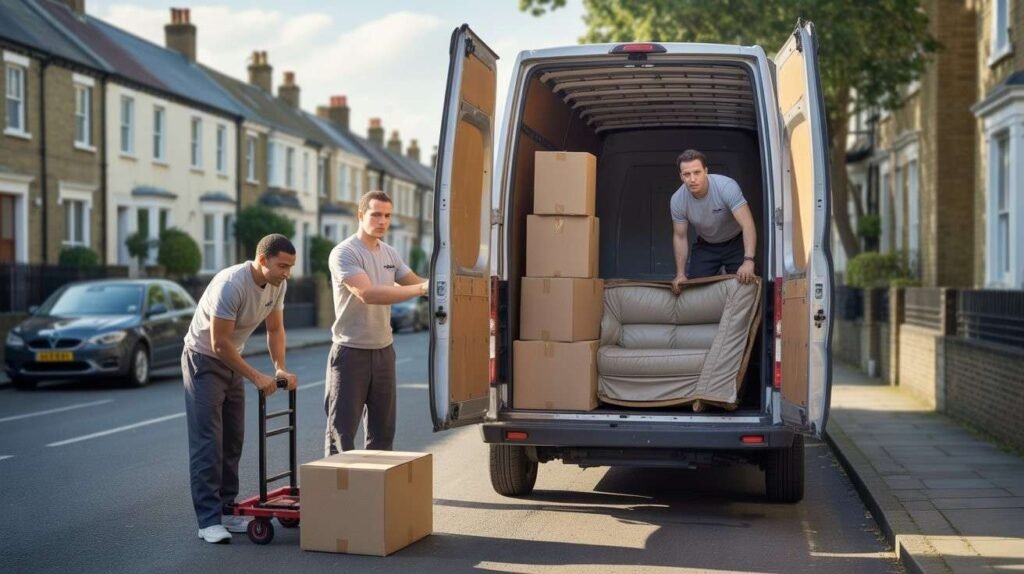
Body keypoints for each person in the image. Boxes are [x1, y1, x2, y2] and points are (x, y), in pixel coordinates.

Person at [181, 234, 298, 544]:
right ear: (262, 260)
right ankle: (208, 521)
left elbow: (275, 328)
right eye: (282, 266)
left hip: (232, 358)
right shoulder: (231, 285)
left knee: (233, 439)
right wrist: (255, 376)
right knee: (208, 442)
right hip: (204, 359)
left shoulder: (277, 284)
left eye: (290, 266)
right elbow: (219, 343)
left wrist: (279, 367)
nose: (287, 272)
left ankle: (227, 509)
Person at [324, 190, 428, 455]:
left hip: (384, 351)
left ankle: (376, 482)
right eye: (376, 214)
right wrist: (421, 289)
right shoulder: (344, 253)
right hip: (350, 352)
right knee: (342, 434)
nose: (383, 221)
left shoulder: (390, 253)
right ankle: (339, 483)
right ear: (361, 215)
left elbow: (417, 282)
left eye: (388, 216)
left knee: (383, 432)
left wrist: (444, 284)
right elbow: (368, 294)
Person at [670, 149, 757, 294]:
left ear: (706, 171)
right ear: (681, 176)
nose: (692, 179)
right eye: (687, 174)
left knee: (745, 283)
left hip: (736, 243)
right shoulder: (677, 200)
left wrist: (749, 260)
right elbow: (680, 236)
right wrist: (680, 274)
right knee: (693, 288)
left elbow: (747, 224)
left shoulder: (726, 187)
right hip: (707, 245)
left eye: (697, 172)